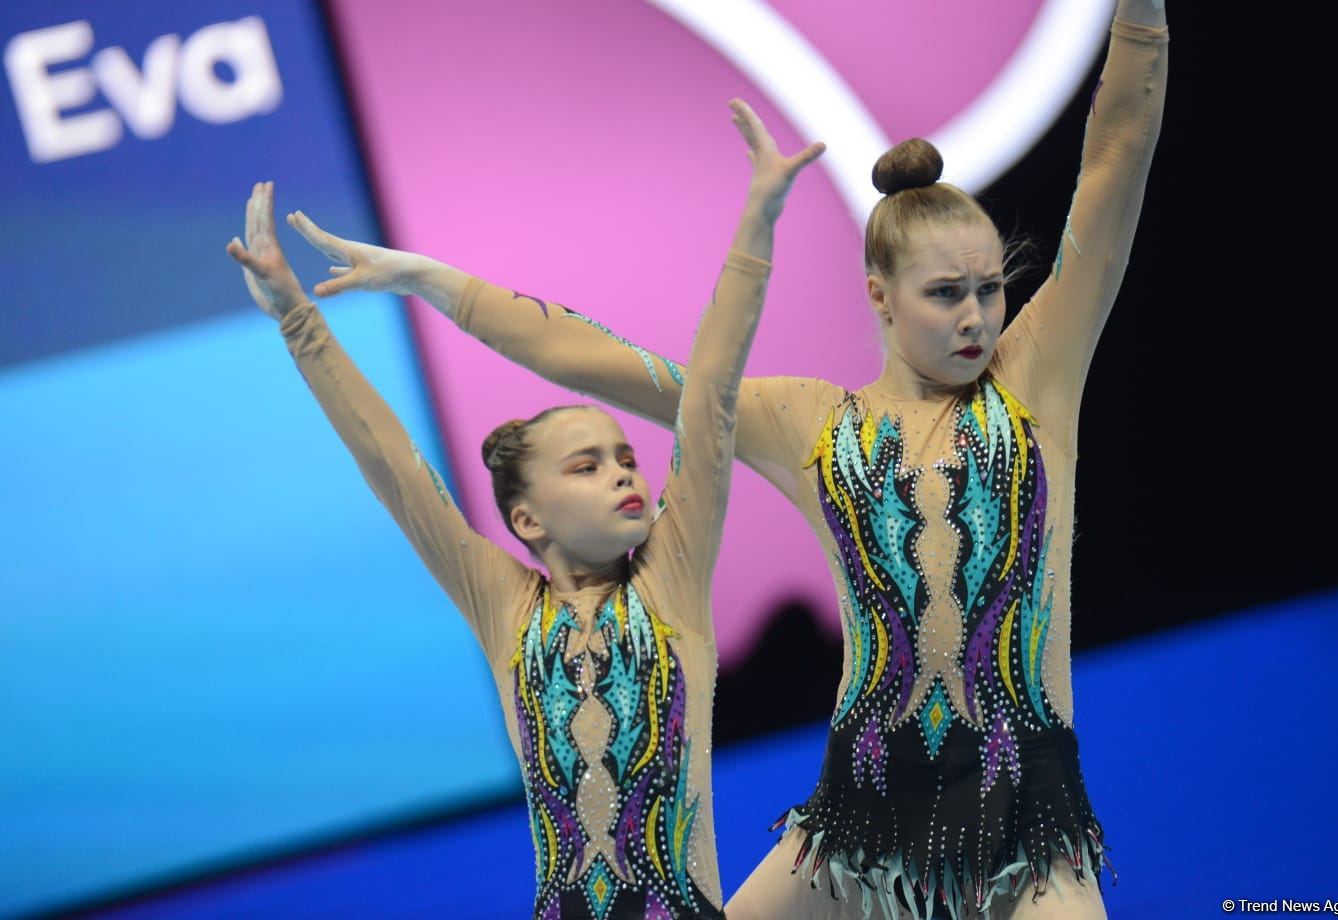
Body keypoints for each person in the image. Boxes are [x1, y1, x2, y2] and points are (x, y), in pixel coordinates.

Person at [285, 2, 1167, 915]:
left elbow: (1116, 156)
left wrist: (1142, 16)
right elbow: (600, 360)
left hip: (1028, 820)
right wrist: (431, 279)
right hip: (859, 821)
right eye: (946, 293)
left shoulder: (1035, 381)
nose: (978, 316)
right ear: (880, 296)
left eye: (989, 288)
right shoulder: (811, 424)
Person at [224, 99, 824, 919]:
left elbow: (709, 396)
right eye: (587, 466)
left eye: (626, 458)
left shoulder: (671, 582)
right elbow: (396, 469)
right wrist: (300, 321)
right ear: (527, 521)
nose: (624, 475)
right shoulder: (507, 610)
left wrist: (759, 218)